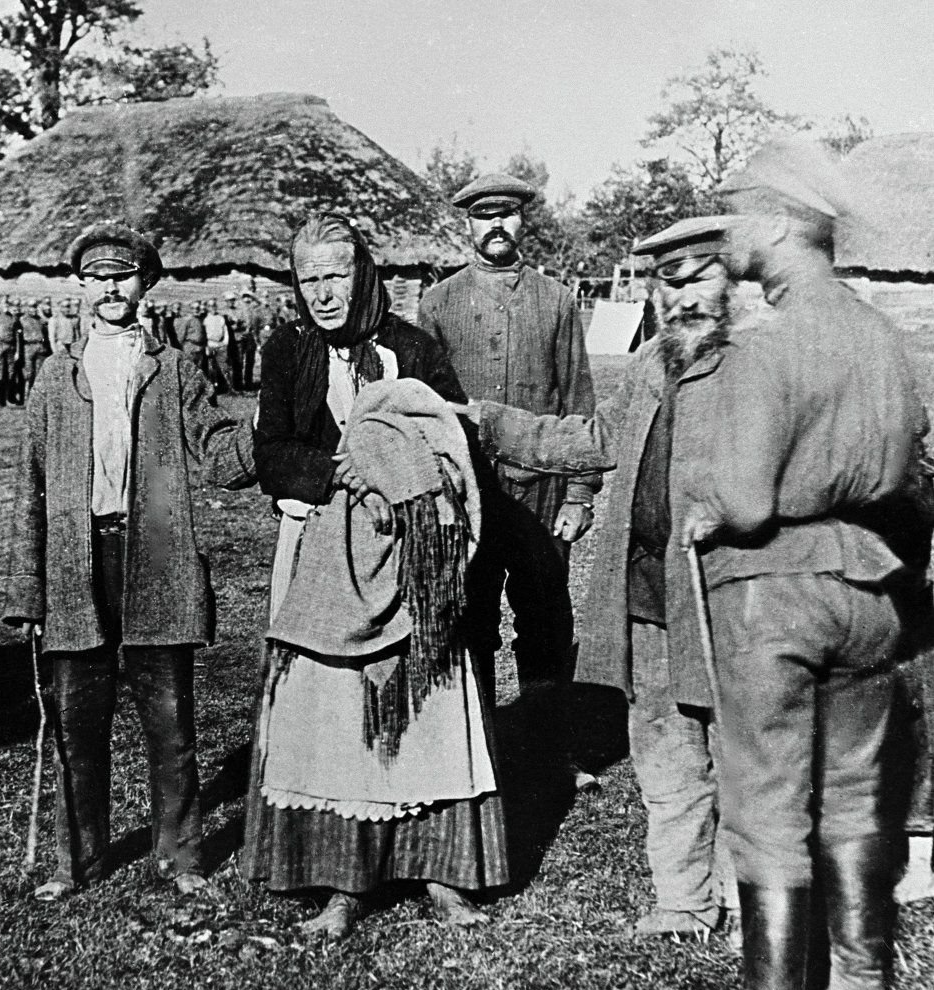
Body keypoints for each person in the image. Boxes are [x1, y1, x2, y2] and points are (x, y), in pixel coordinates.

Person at [678, 140, 934, 990]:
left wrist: (710, 506)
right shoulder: (884, 340)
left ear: (784, 224)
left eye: (740, 212)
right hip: (873, 593)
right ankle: (862, 987)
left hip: (772, 601)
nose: (726, 232)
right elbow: (903, 470)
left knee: (766, 810)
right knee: (859, 803)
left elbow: (748, 504)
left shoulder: (765, 346)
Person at [447, 216, 745, 944]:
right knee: (661, 746)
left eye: (698, 278)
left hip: (732, 596)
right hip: (646, 589)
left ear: (735, 280)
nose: (681, 297)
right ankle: (682, 900)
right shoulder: (651, 361)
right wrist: (487, 419)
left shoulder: (766, 362)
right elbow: (595, 438)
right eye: (666, 283)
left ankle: (747, 899)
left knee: (743, 750)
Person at [241, 212, 506, 941]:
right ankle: (342, 884)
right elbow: (273, 449)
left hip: (410, 551)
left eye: (336, 275)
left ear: (365, 274)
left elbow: (452, 440)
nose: (323, 293)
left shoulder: (412, 348)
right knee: (330, 713)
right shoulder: (288, 350)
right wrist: (343, 474)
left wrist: (397, 479)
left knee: (427, 701)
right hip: (324, 548)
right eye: (308, 279)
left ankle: (442, 872)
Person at [3, 222, 256, 903]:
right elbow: (30, 486)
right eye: (99, 276)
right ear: (81, 286)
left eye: (125, 275)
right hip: (74, 571)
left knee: (170, 723)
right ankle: (74, 862)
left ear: (145, 284)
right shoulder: (55, 378)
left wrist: (276, 424)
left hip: (157, 564)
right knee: (75, 725)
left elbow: (221, 459)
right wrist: (29, 591)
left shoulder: (174, 371)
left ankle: (181, 857)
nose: (112, 287)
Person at [417, 173, 599, 739]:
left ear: (524, 221)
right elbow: (425, 409)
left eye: (507, 214)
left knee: (545, 616)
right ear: (466, 224)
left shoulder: (557, 300)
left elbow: (578, 401)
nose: (495, 226)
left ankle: (547, 746)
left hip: (542, 491)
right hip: (467, 492)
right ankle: (479, 747)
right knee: (469, 617)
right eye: (482, 216)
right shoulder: (439, 303)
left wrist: (580, 492)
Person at [18, 297, 50, 400]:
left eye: (35, 307)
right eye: (31, 307)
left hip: (40, 347)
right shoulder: (22, 320)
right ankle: (27, 396)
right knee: (28, 373)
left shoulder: (40, 319)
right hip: (28, 347)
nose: (34, 309)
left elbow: (48, 323)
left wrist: (41, 313)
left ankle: (37, 396)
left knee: (39, 373)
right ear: (27, 308)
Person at [203, 297, 231, 394]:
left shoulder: (220, 318)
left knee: (224, 367)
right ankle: (213, 388)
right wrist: (206, 346)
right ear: (207, 307)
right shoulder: (205, 319)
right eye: (210, 306)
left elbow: (225, 331)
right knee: (211, 368)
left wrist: (225, 343)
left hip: (221, 345)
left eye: (214, 305)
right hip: (210, 344)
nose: (212, 308)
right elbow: (203, 333)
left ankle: (227, 388)